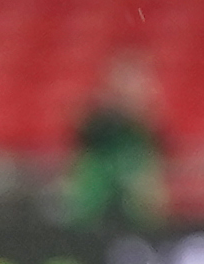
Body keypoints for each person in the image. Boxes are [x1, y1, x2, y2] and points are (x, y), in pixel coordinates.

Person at [65, 48, 165, 229]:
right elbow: (83, 136)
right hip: (97, 197)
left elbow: (161, 151)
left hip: (137, 202)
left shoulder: (149, 123)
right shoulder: (97, 116)